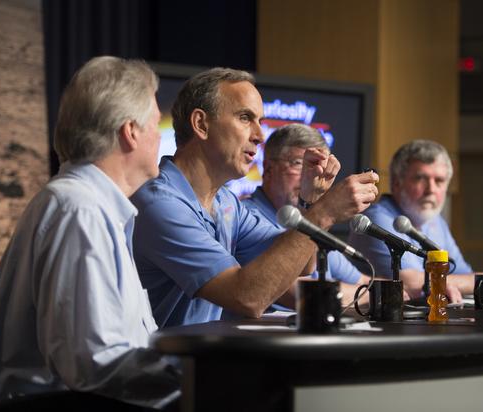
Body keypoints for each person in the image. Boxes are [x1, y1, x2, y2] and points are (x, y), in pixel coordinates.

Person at [0, 57, 180, 409]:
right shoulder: (81, 211)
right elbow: (95, 364)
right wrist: (195, 375)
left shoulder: (86, 205)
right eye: (155, 124)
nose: (160, 136)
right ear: (130, 131)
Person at [131, 68, 378, 327]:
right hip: (166, 354)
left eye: (260, 121)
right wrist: (325, 212)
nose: (260, 136)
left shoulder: (226, 202)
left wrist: (311, 201)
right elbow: (248, 298)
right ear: (201, 124)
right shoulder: (161, 203)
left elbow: (302, 265)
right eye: (245, 118)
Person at [349, 140, 483, 298]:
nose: (431, 189)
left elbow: (460, 273)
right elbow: (412, 283)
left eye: (439, 181)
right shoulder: (377, 218)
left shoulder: (436, 222)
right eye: (420, 178)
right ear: (396, 183)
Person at [243, 123, 373, 305]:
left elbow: (365, 281)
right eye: (298, 164)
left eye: (318, 167)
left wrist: (387, 290)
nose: (310, 177)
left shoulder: (313, 224)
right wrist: (373, 294)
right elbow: (306, 296)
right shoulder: (247, 217)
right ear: (269, 168)